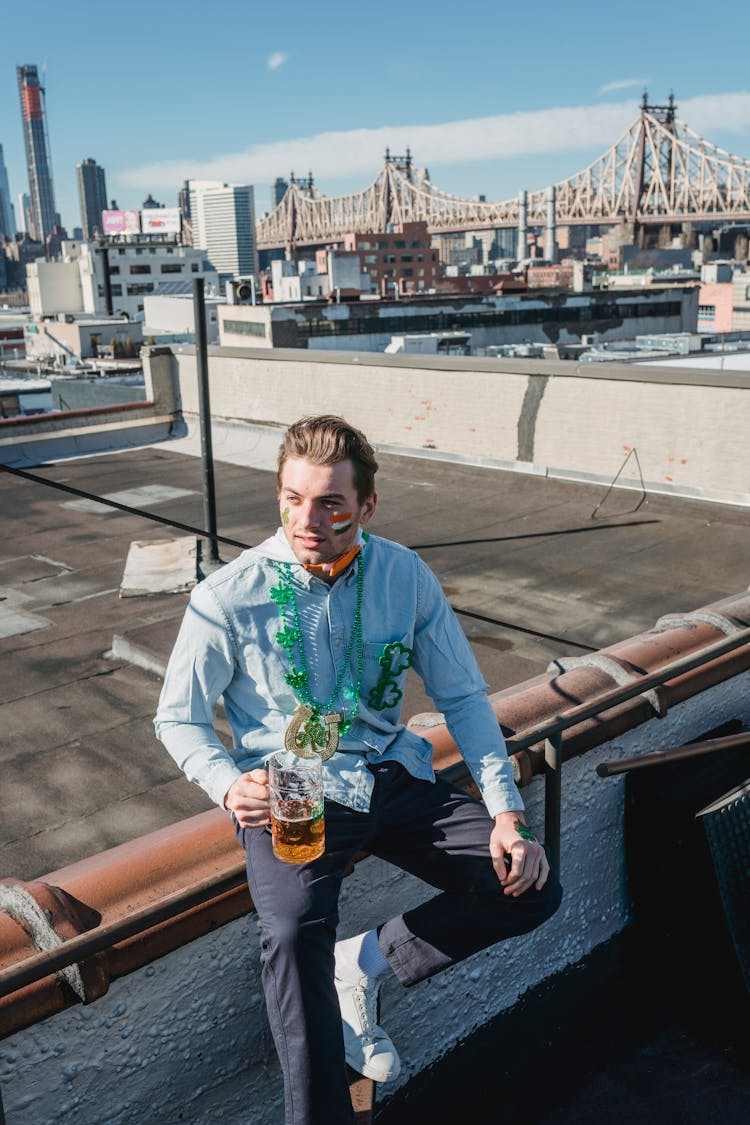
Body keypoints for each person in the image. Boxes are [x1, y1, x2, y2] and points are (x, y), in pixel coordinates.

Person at [155, 415, 562, 1124]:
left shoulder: (404, 575)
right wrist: (226, 782)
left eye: (329, 504)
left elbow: (464, 697)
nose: (306, 519)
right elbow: (177, 717)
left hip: (390, 767)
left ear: (366, 506)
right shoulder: (228, 595)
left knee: (528, 886)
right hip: (293, 783)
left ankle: (366, 962)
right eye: (291, 498)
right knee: (290, 930)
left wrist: (506, 812)